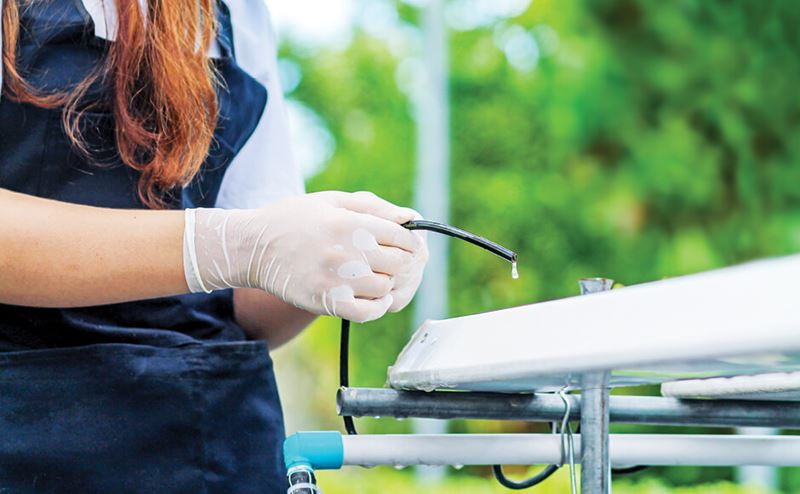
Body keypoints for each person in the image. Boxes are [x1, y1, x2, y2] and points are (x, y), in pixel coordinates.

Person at [0, 0, 428, 491]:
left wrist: (342, 263)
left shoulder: (238, 15)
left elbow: (249, 306)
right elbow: (240, 247)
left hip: (215, 441)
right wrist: (231, 246)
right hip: (29, 429)